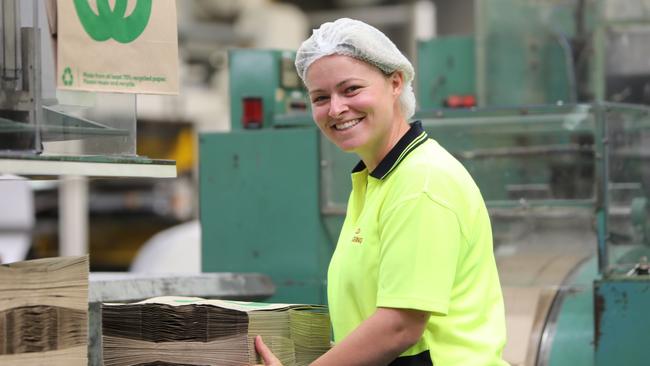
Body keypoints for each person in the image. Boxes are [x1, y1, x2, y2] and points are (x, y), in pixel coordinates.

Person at [255, 18, 508, 366]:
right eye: (320, 97)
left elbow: (399, 326)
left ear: (395, 82)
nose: (336, 108)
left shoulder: (422, 181)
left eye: (351, 89)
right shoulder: (376, 181)